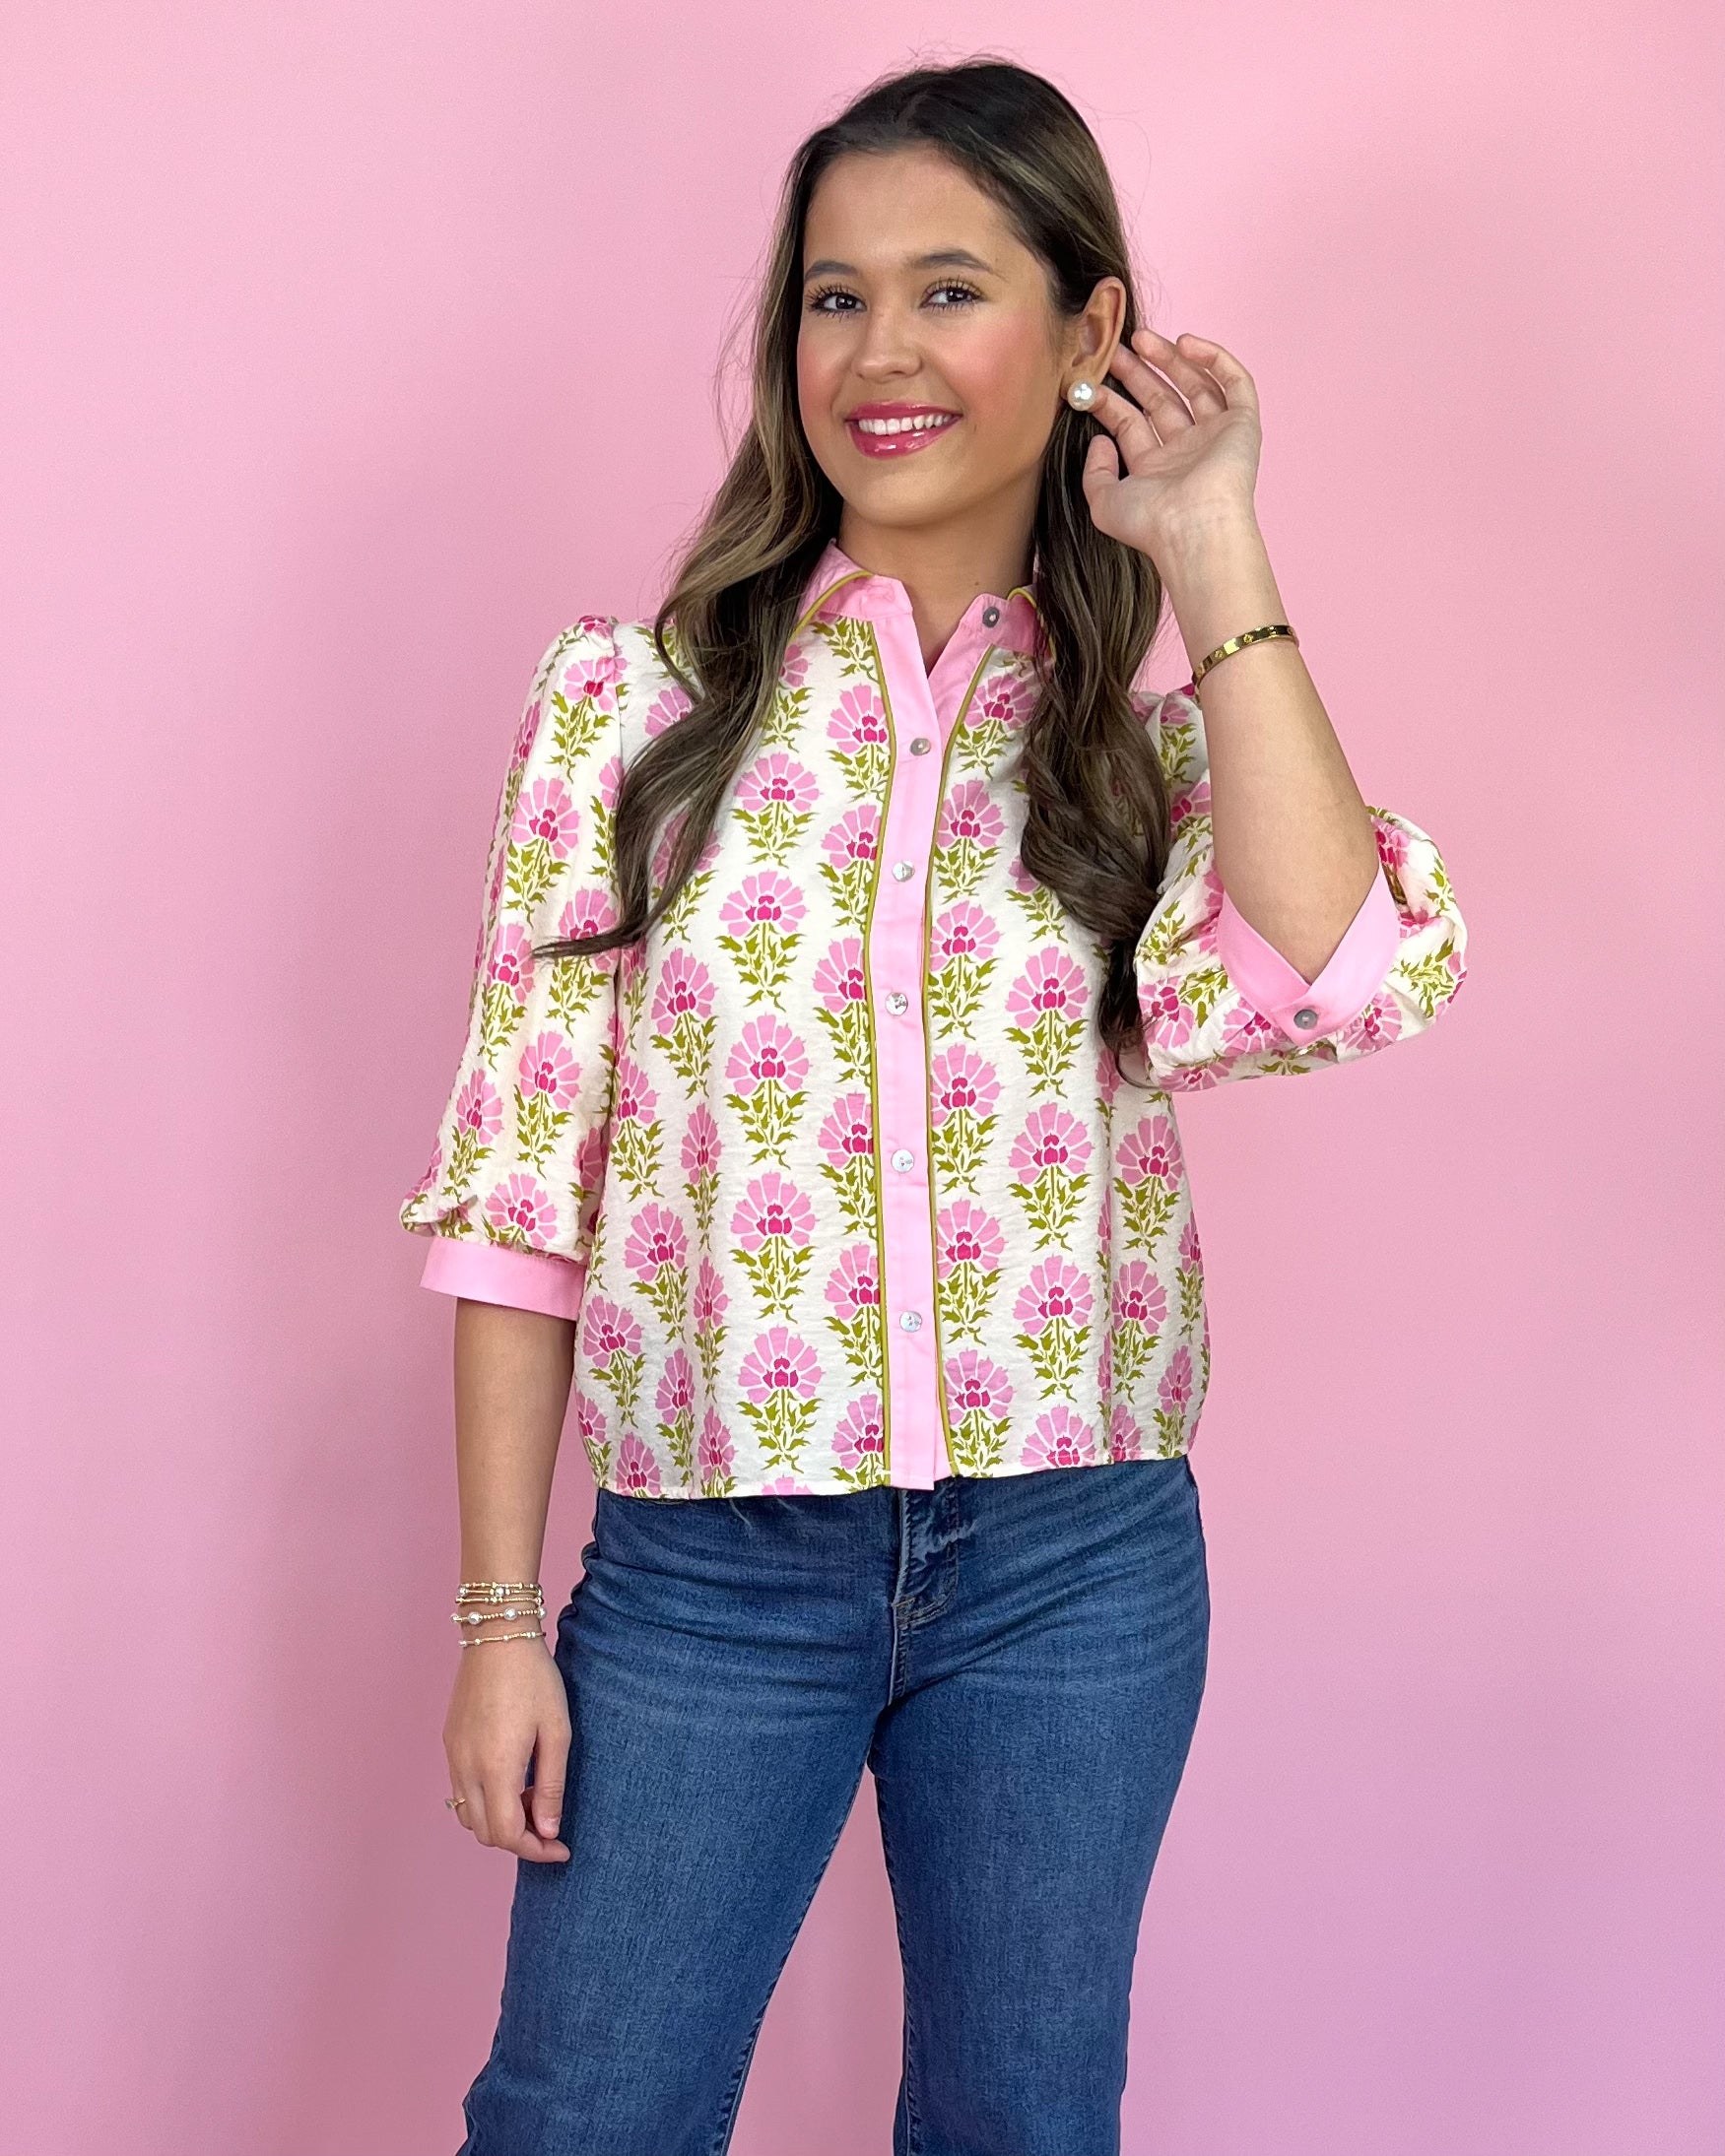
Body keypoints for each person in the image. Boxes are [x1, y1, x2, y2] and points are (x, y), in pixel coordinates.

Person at [398, 55, 1468, 2156]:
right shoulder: (635, 711)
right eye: (835, 296)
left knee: (1023, 2122)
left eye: (950, 290)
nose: (877, 352)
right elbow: (522, 1193)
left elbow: (1341, 972)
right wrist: (500, 1618)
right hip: (711, 1574)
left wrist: (1212, 542)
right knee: (581, 2116)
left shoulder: (1147, 754)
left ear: (1087, 333)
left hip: (1078, 1563)